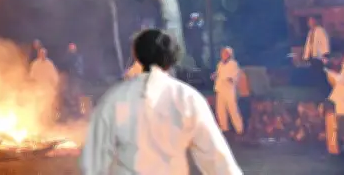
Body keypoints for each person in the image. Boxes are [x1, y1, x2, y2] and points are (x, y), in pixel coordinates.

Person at [81, 29, 241, 175]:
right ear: (172, 58)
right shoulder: (187, 98)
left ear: (137, 55)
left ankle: (237, 129)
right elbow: (218, 161)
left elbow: (93, 162)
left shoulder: (114, 99)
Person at [212, 47, 244, 136]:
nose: (223, 55)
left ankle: (239, 129)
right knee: (220, 110)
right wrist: (215, 75)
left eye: (225, 53)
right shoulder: (220, 64)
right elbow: (218, 73)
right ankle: (224, 128)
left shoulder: (233, 64)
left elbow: (235, 75)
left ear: (229, 54)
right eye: (222, 53)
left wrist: (230, 79)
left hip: (229, 90)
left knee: (233, 110)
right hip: (220, 89)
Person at [303, 16, 331, 96]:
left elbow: (324, 43)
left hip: (320, 58)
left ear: (315, 21)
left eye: (312, 21)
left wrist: (325, 55)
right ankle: (321, 92)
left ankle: (326, 92)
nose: (310, 23)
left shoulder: (320, 30)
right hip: (313, 58)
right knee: (316, 77)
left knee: (321, 76)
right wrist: (306, 56)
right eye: (309, 21)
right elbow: (308, 45)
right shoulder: (311, 32)